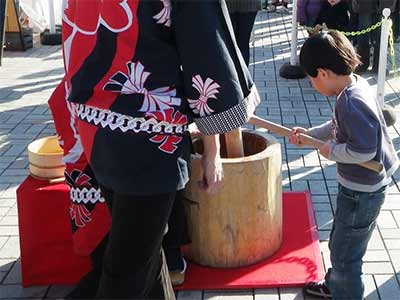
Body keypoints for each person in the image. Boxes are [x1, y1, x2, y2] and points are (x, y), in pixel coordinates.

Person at [48, 0, 260, 299]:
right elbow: (204, 47)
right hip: (148, 133)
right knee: (128, 269)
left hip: (94, 123)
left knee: (145, 250)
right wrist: (214, 145)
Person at [290, 30, 399, 300]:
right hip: (358, 187)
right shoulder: (353, 86)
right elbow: (338, 127)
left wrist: (332, 151)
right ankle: (335, 287)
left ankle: (344, 293)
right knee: (342, 240)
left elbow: (364, 151)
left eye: (311, 78)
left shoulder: (352, 101)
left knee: (345, 255)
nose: (312, 84)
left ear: (323, 73)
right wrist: (312, 136)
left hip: (362, 191)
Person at [226, 0, 261, 66]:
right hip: (248, 5)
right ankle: (241, 74)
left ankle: (235, 74)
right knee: (243, 44)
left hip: (228, 5)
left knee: (229, 44)